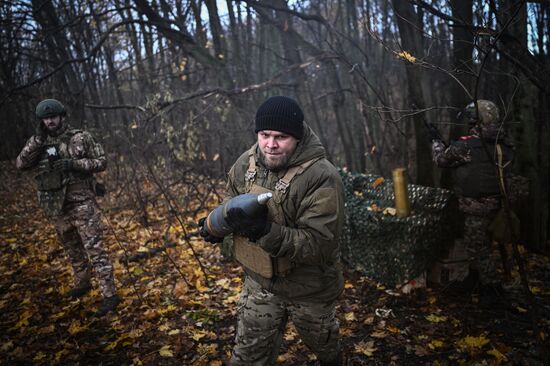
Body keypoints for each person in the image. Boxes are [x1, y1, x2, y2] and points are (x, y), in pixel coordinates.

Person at [199, 96, 345, 365]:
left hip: (309, 290)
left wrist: (265, 231)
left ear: (298, 137)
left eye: (281, 137)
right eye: (265, 135)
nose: (271, 144)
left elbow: (319, 244)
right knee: (247, 358)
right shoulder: (246, 164)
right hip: (260, 284)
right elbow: (229, 205)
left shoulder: (322, 177)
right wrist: (216, 228)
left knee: (329, 355)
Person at [16, 98, 120, 316]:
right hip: (56, 205)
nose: (50, 121)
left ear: (62, 116)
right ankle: (82, 283)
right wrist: (37, 140)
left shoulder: (80, 137)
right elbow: (21, 164)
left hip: (82, 202)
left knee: (96, 250)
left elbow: (101, 161)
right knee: (73, 249)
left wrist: (75, 164)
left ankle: (110, 295)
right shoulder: (38, 142)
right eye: (46, 118)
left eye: (53, 116)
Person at [429, 99, 514, 287]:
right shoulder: (505, 145)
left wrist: (435, 141)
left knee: (478, 248)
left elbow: (441, 160)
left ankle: (493, 290)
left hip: (477, 208)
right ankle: (478, 279)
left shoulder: (467, 146)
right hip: (500, 207)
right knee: (487, 245)